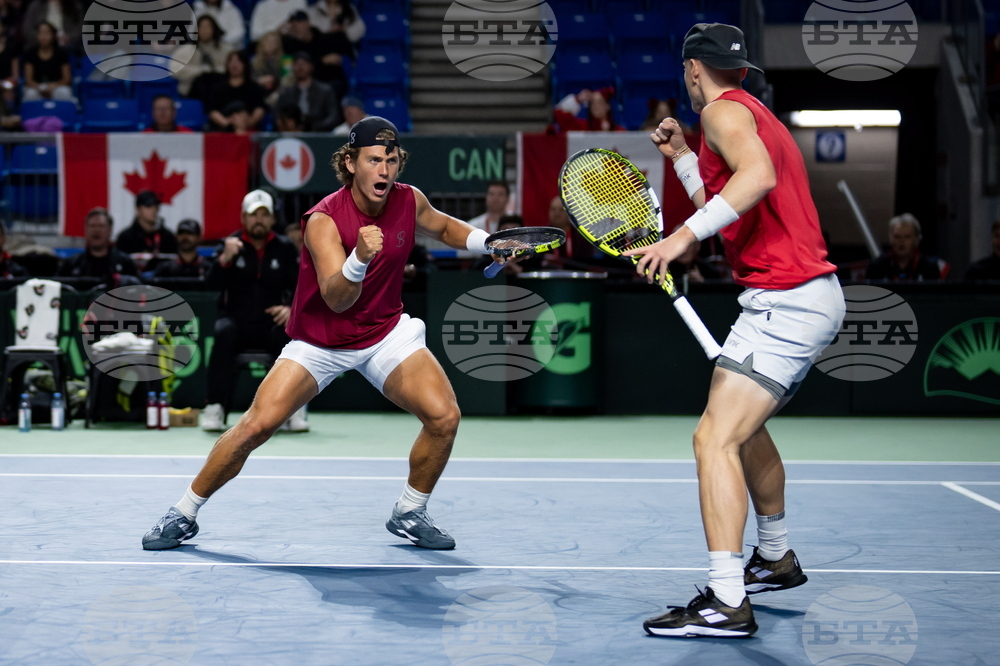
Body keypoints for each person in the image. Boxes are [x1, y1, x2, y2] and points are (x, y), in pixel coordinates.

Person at [141, 117, 509, 554]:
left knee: (444, 417)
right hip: (321, 342)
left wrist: (489, 242)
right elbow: (336, 297)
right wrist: (359, 258)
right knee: (255, 427)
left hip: (385, 333)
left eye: (392, 160)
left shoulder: (409, 200)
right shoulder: (324, 219)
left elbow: (447, 228)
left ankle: (410, 510)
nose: (385, 171)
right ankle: (183, 513)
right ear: (350, 163)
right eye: (374, 160)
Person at [622, 24, 846, 638]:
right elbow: (735, 210)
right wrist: (685, 161)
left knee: (712, 440)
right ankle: (772, 557)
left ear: (693, 69)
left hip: (788, 302)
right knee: (743, 431)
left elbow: (757, 180)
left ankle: (725, 600)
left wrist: (678, 238)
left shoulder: (721, 111)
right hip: (797, 296)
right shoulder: (747, 112)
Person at [198, 189, 300, 432]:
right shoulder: (229, 244)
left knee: (289, 339)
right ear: (244, 218)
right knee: (222, 332)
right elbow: (210, 284)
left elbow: (303, 287)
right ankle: (215, 406)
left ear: (272, 219)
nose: (259, 220)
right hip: (236, 321)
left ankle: (292, 410)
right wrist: (225, 260)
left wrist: (290, 309)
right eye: (254, 215)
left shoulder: (285, 248)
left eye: (264, 215)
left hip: (271, 322)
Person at [280, 10, 351, 96]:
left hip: (328, 80)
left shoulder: (325, 39)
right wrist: (322, 61)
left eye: (299, 23)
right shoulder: (290, 46)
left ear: (308, 24)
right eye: (293, 25)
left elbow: (340, 59)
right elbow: (290, 70)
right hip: (304, 83)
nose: (296, 28)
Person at [57, 208, 138, 281]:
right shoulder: (72, 264)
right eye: (92, 226)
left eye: (101, 226)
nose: (96, 230)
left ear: (110, 230)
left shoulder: (125, 263)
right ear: (85, 230)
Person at [865, 213, 948, 282]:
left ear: (916, 240)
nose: (901, 241)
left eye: (907, 237)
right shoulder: (877, 266)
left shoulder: (929, 267)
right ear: (890, 239)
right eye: (897, 237)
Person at [274, 51, 339, 131]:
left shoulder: (325, 90)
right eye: (297, 64)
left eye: (303, 64)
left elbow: (333, 116)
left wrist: (315, 127)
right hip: (292, 134)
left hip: (319, 134)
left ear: (311, 66)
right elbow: (277, 114)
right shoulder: (286, 92)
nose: (300, 67)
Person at [207, 50, 267, 131]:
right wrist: (226, 122)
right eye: (231, 61)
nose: (234, 64)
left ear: (245, 65)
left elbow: (259, 109)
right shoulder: (218, 88)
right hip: (224, 127)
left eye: (238, 61)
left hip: (248, 126)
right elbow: (212, 111)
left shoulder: (254, 87)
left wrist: (248, 122)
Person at [173, 14, 228, 97]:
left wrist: (214, 71)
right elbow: (175, 70)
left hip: (220, 92)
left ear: (214, 29)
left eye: (208, 27)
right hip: (192, 91)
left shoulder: (225, 50)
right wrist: (199, 71)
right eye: (201, 27)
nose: (204, 30)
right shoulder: (185, 50)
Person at [115, 190, 179, 257]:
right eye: (148, 206)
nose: (154, 210)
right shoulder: (126, 239)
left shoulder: (168, 237)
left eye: (156, 206)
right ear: (137, 210)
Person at [21, 21, 73, 102]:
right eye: (40, 33)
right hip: (36, 87)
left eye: (46, 33)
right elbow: (28, 80)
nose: (43, 37)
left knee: (63, 93)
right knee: (30, 94)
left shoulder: (61, 54)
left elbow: (66, 79)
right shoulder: (30, 53)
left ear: (53, 35)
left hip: (56, 86)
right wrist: (39, 87)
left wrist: (53, 86)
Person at [551, 87, 624, 133]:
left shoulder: (618, 131)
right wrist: (578, 99)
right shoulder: (583, 127)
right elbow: (559, 116)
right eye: (592, 103)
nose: (596, 106)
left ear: (607, 106)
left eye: (599, 103)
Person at [252, 30, 286, 107]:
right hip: (258, 96)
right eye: (267, 41)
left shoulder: (286, 61)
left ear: (278, 44)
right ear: (261, 43)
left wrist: (276, 95)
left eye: (273, 41)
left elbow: (288, 84)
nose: (270, 44)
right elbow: (248, 80)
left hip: (278, 98)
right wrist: (258, 81)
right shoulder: (254, 61)